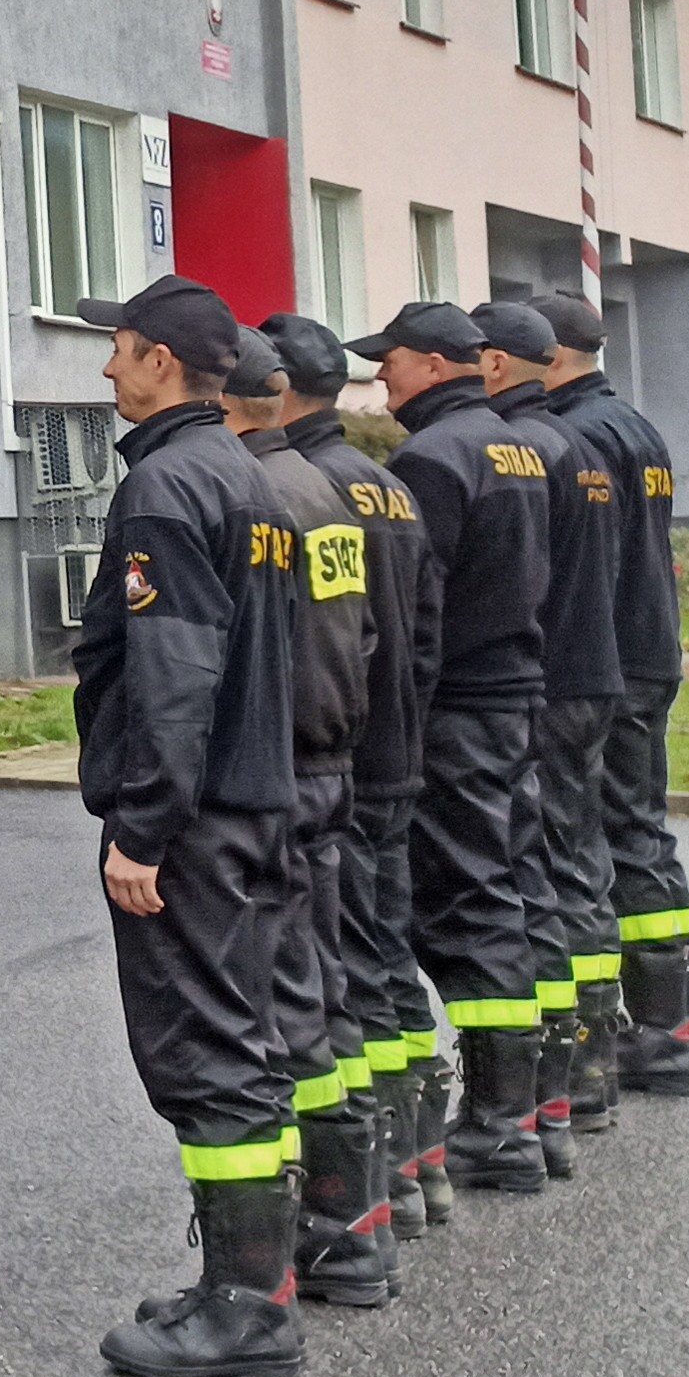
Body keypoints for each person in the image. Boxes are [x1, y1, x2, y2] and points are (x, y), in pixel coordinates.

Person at [75, 276, 306, 1377]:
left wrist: (143, 830)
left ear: (159, 360)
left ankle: (245, 1315)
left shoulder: (166, 485)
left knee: (207, 1055)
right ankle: (245, 1287)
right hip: (255, 797)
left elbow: (174, 672)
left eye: (118, 347)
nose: (106, 366)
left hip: (197, 819)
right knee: (244, 1043)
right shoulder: (248, 474)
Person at [349, 298, 553, 1193]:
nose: (380, 376)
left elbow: (414, 608)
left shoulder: (432, 457)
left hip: (458, 707)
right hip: (512, 694)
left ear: (434, 364)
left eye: (389, 360)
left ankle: (502, 1128)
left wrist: (395, 721)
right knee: (502, 888)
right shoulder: (517, 444)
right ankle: (521, 1116)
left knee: (469, 903)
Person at [265, 312, 450, 1239]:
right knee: (386, 960)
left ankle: (376, 1183)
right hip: (395, 753)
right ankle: (417, 1165)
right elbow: (423, 628)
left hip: (340, 757)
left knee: (345, 973)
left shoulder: (301, 487)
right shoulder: (388, 484)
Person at [223, 323, 393, 1309]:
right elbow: (361, 637)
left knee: (280, 1003)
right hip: (327, 760)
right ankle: (351, 1227)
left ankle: (307, 1244)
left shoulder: (257, 494)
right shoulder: (322, 488)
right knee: (322, 994)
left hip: (279, 772)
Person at [537, 290, 689, 1094]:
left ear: (550, 356)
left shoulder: (579, 435)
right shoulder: (634, 425)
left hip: (607, 658)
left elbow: (588, 560)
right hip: (650, 646)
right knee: (640, 829)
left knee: (595, 840)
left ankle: (612, 1035)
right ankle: (670, 1031)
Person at [478, 296, 617, 1164]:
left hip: (551, 682)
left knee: (546, 870)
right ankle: (585, 1071)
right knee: (577, 861)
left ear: (495, 363)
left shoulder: (530, 447)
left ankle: (565, 1079)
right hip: (590, 671)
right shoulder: (578, 444)